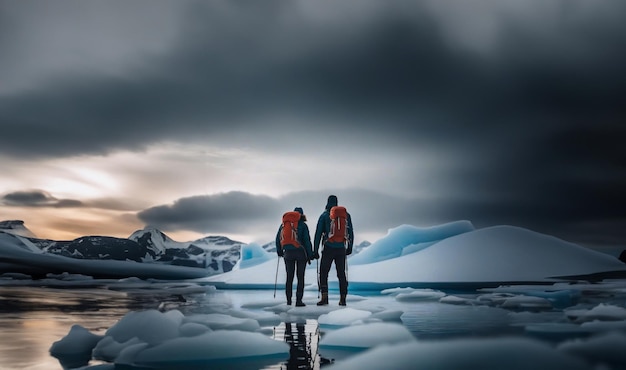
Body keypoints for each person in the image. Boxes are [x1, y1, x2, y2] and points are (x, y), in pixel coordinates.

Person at [313, 195, 353, 306]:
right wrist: (349, 247)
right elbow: (350, 232)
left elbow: (318, 234)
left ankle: (324, 298)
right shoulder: (345, 215)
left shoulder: (324, 215)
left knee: (324, 273)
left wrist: (315, 250)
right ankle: (343, 298)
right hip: (341, 248)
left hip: (328, 248)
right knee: (341, 274)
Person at [276, 207, 314, 307]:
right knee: (300, 277)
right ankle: (298, 301)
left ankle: (289, 301)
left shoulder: (284, 224)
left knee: (289, 277)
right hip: (301, 253)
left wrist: (280, 251)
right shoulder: (303, 225)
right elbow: (307, 241)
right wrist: (310, 255)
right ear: (302, 215)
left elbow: (278, 238)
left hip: (288, 253)